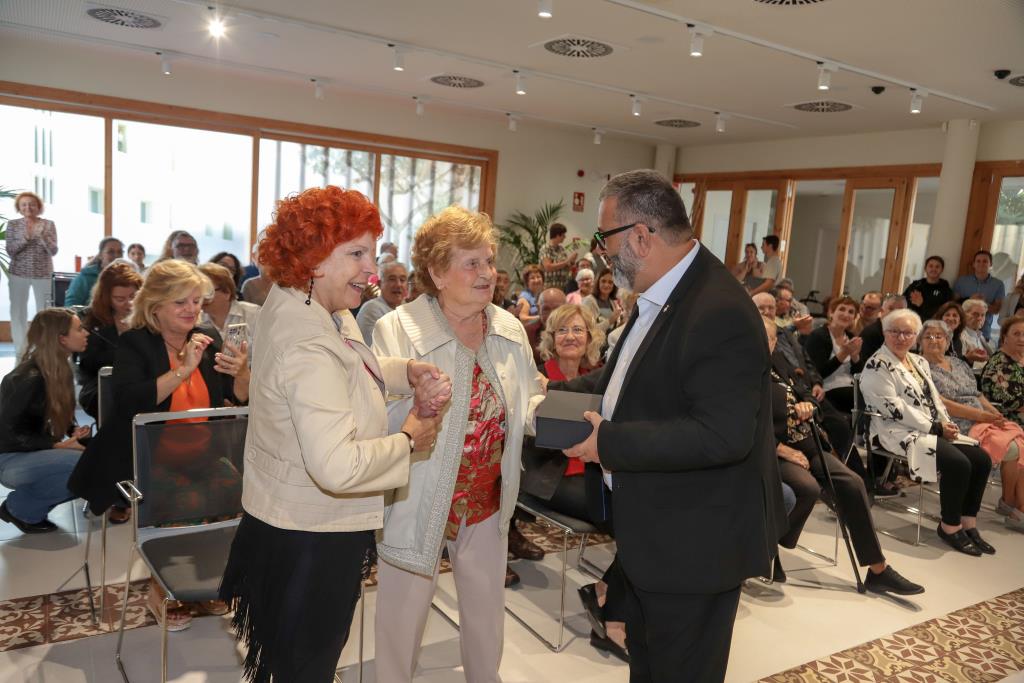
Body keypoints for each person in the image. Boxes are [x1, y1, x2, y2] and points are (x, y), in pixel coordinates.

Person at [558, 169, 786, 682]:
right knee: (651, 661)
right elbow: (625, 386)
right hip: (658, 535)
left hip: (695, 544)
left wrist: (608, 444)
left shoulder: (717, 309)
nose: (600, 252)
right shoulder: (667, 292)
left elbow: (721, 435)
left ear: (640, 236)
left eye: (604, 237)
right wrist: (537, 398)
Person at [218, 186, 448, 681]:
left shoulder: (303, 299)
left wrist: (400, 371)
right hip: (311, 539)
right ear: (313, 256)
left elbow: (347, 365)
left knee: (293, 662)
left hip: (284, 519)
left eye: (371, 250)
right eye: (357, 253)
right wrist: (409, 437)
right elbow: (337, 466)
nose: (372, 268)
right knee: (307, 664)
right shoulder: (306, 339)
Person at [371, 205, 545, 683]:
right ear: (436, 272)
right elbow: (374, 418)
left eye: (489, 261)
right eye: (472, 263)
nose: (487, 273)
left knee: (487, 616)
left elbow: (527, 400)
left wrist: (546, 411)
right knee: (400, 624)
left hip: (487, 498)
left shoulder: (509, 330)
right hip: (417, 500)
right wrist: (415, 406)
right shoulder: (397, 329)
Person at [68, 260, 251, 630]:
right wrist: (184, 367)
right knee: (185, 501)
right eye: (180, 302)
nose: (192, 310)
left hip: (203, 451)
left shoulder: (206, 338)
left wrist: (243, 371)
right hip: (146, 458)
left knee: (238, 495)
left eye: (197, 302)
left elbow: (236, 397)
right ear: (155, 306)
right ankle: (162, 590)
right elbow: (133, 401)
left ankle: (203, 581)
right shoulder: (135, 343)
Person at [763, 318, 923, 594]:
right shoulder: (739, 368)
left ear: (776, 341)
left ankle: (877, 569)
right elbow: (744, 422)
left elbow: (808, 391)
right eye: (760, 337)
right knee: (807, 487)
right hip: (772, 448)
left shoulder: (778, 361)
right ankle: (768, 549)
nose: (766, 343)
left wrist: (808, 404)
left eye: (770, 338)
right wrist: (779, 447)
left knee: (852, 482)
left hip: (807, 442)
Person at [859, 309, 995, 557]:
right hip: (897, 431)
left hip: (933, 427)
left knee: (981, 460)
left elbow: (934, 398)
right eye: (895, 332)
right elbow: (894, 409)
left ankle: (968, 522)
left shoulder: (918, 361)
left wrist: (946, 422)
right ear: (884, 333)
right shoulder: (877, 364)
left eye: (908, 332)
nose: (901, 337)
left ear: (915, 336)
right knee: (958, 464)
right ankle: (949, 526)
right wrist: (935, 428)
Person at [922, 319, 1024, 532]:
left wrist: (993, 412)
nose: (933, 341)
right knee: (1013, 448)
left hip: (980, 417)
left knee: (1020, 443)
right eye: (928, 336)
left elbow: (977, 393)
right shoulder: (920, 367)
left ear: (948, 340)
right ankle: (1013, 506)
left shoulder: (958, 363)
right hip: (954, 422)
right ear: (920, 341)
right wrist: (982, 415)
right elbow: (940, 402)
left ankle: (1014, 505)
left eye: (939, 336)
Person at [0, 309, 90, 534]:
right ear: (61, 339)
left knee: (89, 464)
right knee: (85, 466)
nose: (86, 333)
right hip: (8, 460)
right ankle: (18, 507)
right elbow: (7, 434)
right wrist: (56, 446)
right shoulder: (29, 379)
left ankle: (25, 508)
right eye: (79, 329)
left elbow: (56, 411)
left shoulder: (57, 369)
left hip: (26, 454)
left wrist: (74, 430)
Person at [77, 262, 143, 420]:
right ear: (106, 298)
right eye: (120, 299)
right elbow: (89, 362)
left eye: (133, 297)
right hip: (101, 385)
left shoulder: (148, 317)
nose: (129, 304)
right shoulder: (92, 320)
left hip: (141, 382)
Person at [6, 192, 59, 356]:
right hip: (18, 273)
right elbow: (11, 251)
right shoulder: (13, 225)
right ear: (19, 208)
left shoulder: (49, 224)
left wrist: (42, 237)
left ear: (38, 207)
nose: (28, 207)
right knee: (17, 311)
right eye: (24, 204)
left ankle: (43, 348)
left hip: (43, 273)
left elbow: (54, 250)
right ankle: (21, 350)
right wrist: (26, 238)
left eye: (32, 204)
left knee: (44, 311)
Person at [804, 296, 862, 413]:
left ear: (854, 318)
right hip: (827, 388)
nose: (846, 314)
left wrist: (855, 356)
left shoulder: (851, 337)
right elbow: (817, 372)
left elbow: (859, 373)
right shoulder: (819, 336)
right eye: (842, 309)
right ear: (831, 313)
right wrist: (844, 353)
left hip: (850, 387)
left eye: (851, 312)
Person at [198, 263, 260, 350]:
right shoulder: (196, 319)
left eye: (208, 291)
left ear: (227, 292)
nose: (201, 297)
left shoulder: (254, 314)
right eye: (198, 292)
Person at [954, 250, 1004, 340]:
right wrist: (969, 300)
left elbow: (997, 310)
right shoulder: (961, 281)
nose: (981, 264)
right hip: (960, 330)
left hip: (983, 332)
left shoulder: (998, 284)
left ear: (991, 264)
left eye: (985, 261)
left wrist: (983, 304)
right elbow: (954, 305)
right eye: (978, 261)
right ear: (973, 264)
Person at [852, 293, 907, 375]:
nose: (896, 313)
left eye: (900, 310)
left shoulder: (905, 334)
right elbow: (863, 368)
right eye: (891, 309)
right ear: (882, 311)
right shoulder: (870, 333)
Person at [355, 261, 408, 345]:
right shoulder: (371, 309)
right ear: (380, 284)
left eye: (402, 280)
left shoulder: (407, 309)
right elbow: (377, 347)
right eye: (392, 279)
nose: (398, 284)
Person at [65, 237, 124, 307]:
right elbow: (70, 308)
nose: (116, 256)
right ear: (100, 255)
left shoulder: (127, 278)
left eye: (119, 252)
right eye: (110, 252)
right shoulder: (84, 278)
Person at [903, 255, 953, 321]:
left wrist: (922, 304)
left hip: (933, 325)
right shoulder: (916, 285)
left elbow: (944, 313)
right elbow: (903, 303)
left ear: (942, 270)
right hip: (911, 322)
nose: (934, 269)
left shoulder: (946, 290)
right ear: (925, 268)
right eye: (931, 266)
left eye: (937, 267)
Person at [582, 267, 625, 332]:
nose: (606, 285)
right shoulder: (589, 301)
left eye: (610, 282)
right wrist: (610, 321)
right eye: (603, 281)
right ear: (598, 282)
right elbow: (588, 330)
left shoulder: (613, 302)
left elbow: (614, 327)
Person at [540, 222, 576, 291]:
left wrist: (572, 262)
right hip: (549, 287)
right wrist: (567, 261)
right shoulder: (546, 248)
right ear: (557, 235)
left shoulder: (561, 249)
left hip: (562, 286)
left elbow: (566, 267)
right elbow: (548, 267)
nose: (565, 237)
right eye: (563, 235)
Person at [960, 298, 994, 366]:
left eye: (983, 315)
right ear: (963, 314)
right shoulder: (960, 337)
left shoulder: (980, 336)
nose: (979, 318)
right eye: (975, 314)